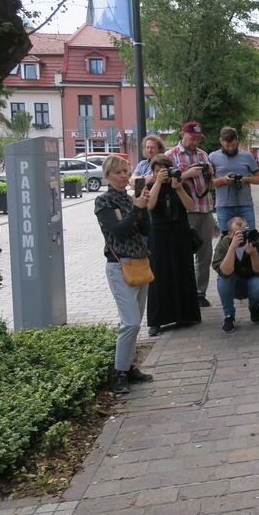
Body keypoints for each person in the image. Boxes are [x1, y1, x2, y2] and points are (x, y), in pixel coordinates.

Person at [94, 155, 155, 394]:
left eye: (125, 172)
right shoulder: (104, 201)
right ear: (107, 175)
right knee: (129, 322)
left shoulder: (131, 200)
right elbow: (118, 231)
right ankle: (119, 373)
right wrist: (137, 209)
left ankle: (129, 368)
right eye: (117, 172)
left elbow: (146, 230)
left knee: (136, 321)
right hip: (120, 266)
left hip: (140, 262)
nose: (122, 176)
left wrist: (144, 207)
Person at [145, 154, 201, 336]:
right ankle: (157, 320)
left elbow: (191, 206)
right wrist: (158, 183)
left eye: (164, 170)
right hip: (159, 235)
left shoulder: (180, 184)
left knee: (183, 271)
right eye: (157, 171)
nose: (161, 174)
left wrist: (178, 189)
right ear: (153, 172)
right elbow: (150, 206)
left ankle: (185, 315)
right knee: (159, 275)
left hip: (179, 233)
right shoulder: (150, 186)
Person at [166, 121, 215, 307]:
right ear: (182, 134)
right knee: (183, 253)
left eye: (197, 139)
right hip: (185, 212)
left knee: (205, 254)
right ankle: (184, 292)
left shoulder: (203, 155)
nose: (195, 142)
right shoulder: (171, 156)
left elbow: (210, 185)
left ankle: (199, 292)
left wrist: (209, 174)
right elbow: (164, 180)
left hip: (205, 209)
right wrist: (187, 174)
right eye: (192, 138)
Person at [212, 216, 259, 332]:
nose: (243, 236)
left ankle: (254, 306)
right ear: (229, 234)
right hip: (232, 284)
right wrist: (232, 248)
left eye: (245, 231)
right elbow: (224, 272)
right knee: (222, 279)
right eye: (238, 234)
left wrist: (253, 254)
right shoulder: (223, 245)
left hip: (252, 281)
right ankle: (229, 316)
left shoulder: (258, 241)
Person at [208, 126, 259, 234]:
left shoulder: (247, 156)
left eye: (233, 145)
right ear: (221, 141)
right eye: (227, 145)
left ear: (237, 141)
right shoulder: (213, 157)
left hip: (245, 205)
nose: (230, 148)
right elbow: (208, 185)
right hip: (224, 206)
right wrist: (224, 180)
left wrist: (245, 179)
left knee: (250, 237)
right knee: (226, 239)